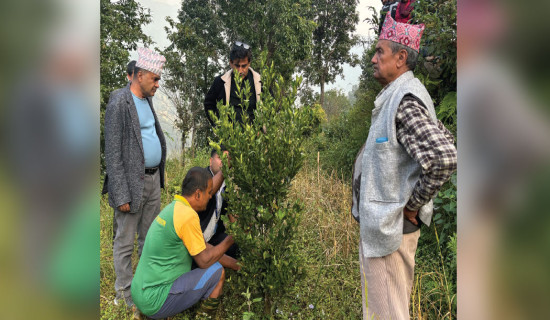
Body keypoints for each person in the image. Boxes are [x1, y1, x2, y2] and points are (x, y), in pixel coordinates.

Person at [355, 14, 457, 320]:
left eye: (379, 53)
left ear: (401, 58)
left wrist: (413, 204)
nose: (373, 59)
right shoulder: (401, 95)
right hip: (385, 231)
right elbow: (445, 136)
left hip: (390, 231)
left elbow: (444, 157)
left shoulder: (405, 100)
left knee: (389, 315)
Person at [102, 47, 167, 310]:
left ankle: (144, 286)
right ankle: (124, 295)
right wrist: (120, 193)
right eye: (155, 78)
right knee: (125, 241)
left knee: (150, 238)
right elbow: (113, 151)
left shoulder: (147, 100)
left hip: (152, 181)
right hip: (130, 184)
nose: (158, 84)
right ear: (139, 75)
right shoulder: (119, 102)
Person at [131, 167, 239, 319]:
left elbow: (205, 248)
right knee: (217, 272)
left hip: (139, 292)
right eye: (209, 193)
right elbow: (205, 260)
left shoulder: (174, 208)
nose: (210, 197)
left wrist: (236, 265)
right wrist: (232, 237)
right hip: (154, 299)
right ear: (197, 194)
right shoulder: (188, 216)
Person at [204, 41, 262, 126]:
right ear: (231, 63)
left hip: (254, 137)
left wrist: (261, 129)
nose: (240, 70)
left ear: (249, 63)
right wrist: (218, 125)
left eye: (244, 66)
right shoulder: (220, 82)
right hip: (229, 137)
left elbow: (271, 108)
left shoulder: (259, 82)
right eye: (237, 66)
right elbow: (209, 104)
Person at [197, 146, 239, 259]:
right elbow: (208, 193)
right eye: (221, 158)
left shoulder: (227, 185)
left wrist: (240, 233)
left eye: (228, 158)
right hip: (197, 237)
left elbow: (232, 214)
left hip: (214, 236)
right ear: (211, 161)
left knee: (237, 246)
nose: (225, 162)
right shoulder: (201, 178)